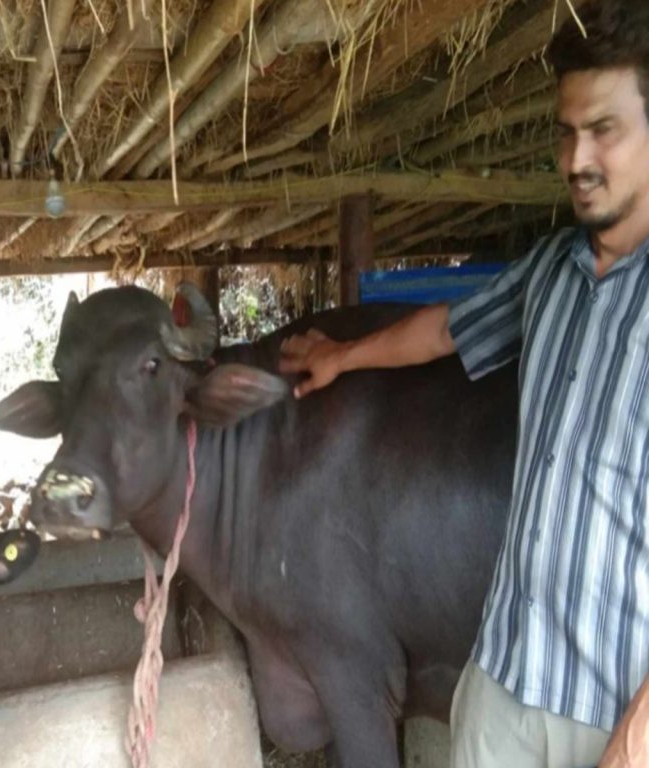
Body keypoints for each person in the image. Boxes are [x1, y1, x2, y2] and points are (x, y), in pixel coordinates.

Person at [278, 2, 649, 766]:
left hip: (614, 712)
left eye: (604, 129)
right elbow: (447, 328)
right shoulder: (550, 272)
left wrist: (637, 737)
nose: (577, 158)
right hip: (503, 681)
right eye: (566, 131)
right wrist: (344, 358)